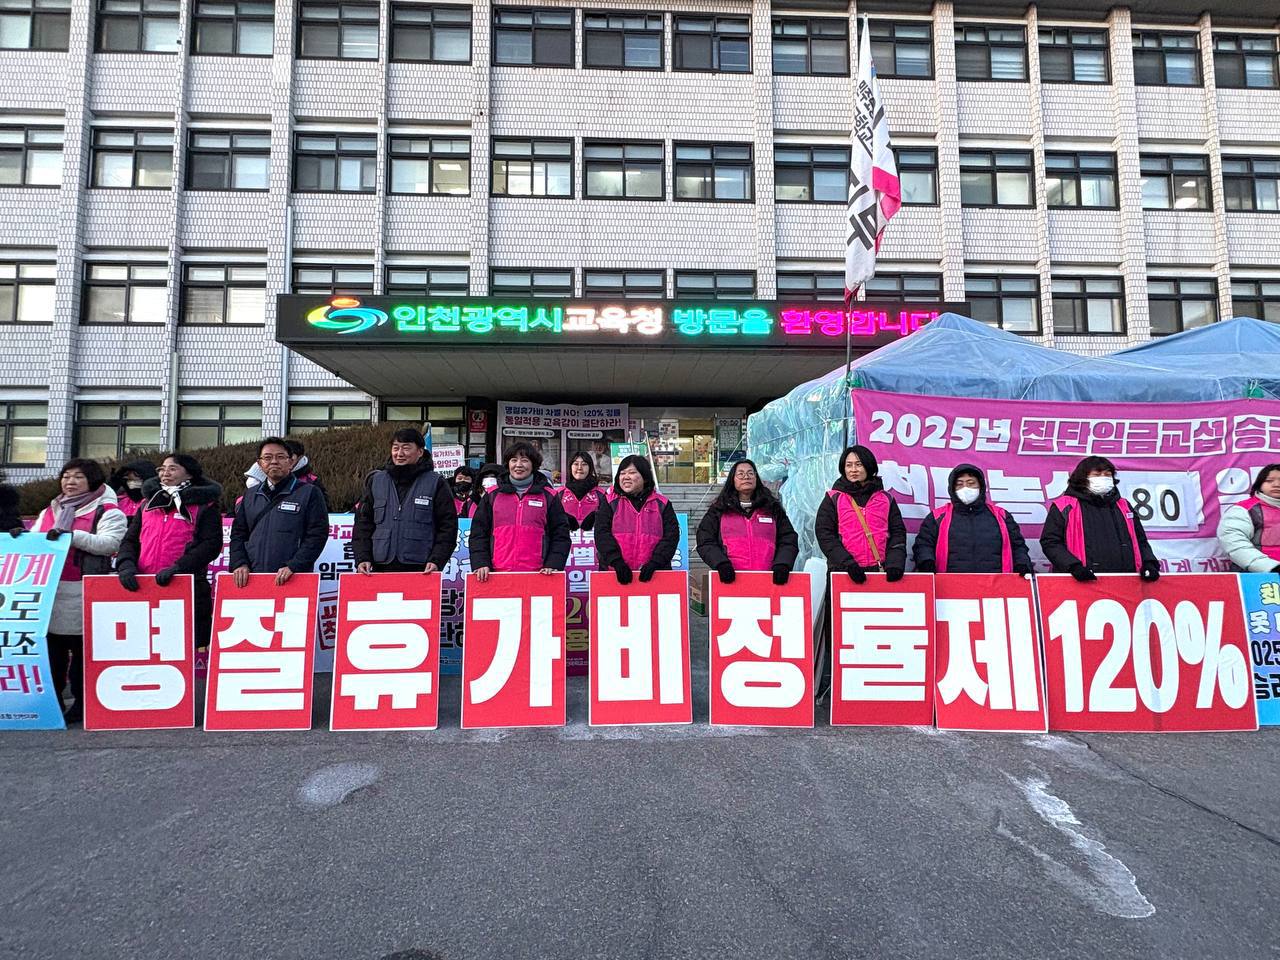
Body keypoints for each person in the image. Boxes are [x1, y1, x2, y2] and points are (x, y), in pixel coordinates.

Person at [30, 459, 127, 722]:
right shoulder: (51, 509)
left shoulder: (107, 511)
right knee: (52, 651)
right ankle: (54, 702)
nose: (70, 482)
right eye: (66, 477)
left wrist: (71, 536)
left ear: (92, 482)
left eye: (78, 477)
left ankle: (83, 704)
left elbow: (110, 543)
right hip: (50, 589)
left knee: (84, 652)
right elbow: (38, 540)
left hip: (85, 588)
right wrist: (23, 537)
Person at [115, 454, 223, 649]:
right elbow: (130, 540)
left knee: (184, 648)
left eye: (173, 469)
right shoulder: (148, 504)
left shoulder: (204, 506)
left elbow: (211, 545)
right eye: (162, 469)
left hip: (187, 587)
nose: (165, 473)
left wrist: (179, 568)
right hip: (144, 586)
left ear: (189, 474)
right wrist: (126, 566)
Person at [352, 428, 458, 575]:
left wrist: (437, 560)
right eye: (395, 448)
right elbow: (363, 523)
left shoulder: (436, 483)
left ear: (420, 452)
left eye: (406, 448)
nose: (399, 453)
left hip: (421, 568)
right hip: (379, 567)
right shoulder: (377, 481)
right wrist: (362, 557)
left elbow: (448, 526)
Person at [228, 437, 329, 587]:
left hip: (293, 578)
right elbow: (238, 534)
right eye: (267, 458)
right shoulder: (250, 495)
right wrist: (239, 563)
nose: (274, 461)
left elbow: (317, 534)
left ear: (291, 461)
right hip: (252, 579)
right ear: (259, 464)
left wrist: (295, 566)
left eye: (280, 457)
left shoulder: (309, 492)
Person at [1041, 456, 1159, 582]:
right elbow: (1051, 542)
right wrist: (1073, 566)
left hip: (1127, 581)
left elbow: (1140, 540)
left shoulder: (1124, 506)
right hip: (1082, 581)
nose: (1103, 478)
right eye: (1097, 474)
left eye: (1107, 474)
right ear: (1083, 478)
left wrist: (1149, 562)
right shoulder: (1064, 506)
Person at [469, 441, 570, 582]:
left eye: (524, 460)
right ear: (508, 464)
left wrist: (554, 564)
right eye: (514, 460)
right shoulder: (492, 496)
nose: (518, 465)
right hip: (496, 575)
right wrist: (481, 563)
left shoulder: (549, 496)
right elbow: (478, 534)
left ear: (533, 465)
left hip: (539, 575)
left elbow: (561, 535)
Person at [913, 464, 1033, 575]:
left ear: (981, 487)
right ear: (952, 489)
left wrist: (1022, 564)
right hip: (949, 587)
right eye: (959, 484)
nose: (965, 488)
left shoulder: (1001, 515)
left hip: (997, 585)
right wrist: (926, 562)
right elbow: (924, 544)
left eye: (971, 483)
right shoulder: (937, 516)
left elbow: (1018, 546)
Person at [696, 459, 798, 585]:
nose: (746, 477)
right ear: (733, 479)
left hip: (768, 581)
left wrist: (783, 563)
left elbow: (788, 539)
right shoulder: (719, 510)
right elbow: (705, 540)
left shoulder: (772, 508)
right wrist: (720, 563)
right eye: (741, 474)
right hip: (731, 582)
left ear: (756, 478)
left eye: (750, 473)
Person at [814, 444, 907, 583]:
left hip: (880, 572)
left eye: (858, 465)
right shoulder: (833, 498)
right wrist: (847, 563)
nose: (853, 470)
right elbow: (824, 534)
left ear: (869, 467)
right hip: (844, 573)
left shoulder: (886, 499)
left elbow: (898, 533)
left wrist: (895, 563)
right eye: (849, 465)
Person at [594, 455, 678, 584]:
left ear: (644, 477)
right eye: (622, 473)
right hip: (614, 574)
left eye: (632, 473)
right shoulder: (609, 502)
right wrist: (616, 561)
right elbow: (601, 534)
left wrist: (655, 562)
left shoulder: (662, 504)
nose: (626, 477)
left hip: (654, 575)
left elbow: (671, 537)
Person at [1217, 463, 1280, 573]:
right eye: (1269, 481)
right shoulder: (1243, 509)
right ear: (1259, 484)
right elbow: (1234, 543)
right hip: (1258, 576)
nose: (1276, 484)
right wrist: (1270, 568)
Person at [557, 452, 603, 532]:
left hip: (592, 542)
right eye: (575, 464)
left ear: (590, 468)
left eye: (584, 464)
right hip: (565, 542)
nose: (579, 468)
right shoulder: (559, 493)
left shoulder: (601, 494)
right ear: (570, 467)